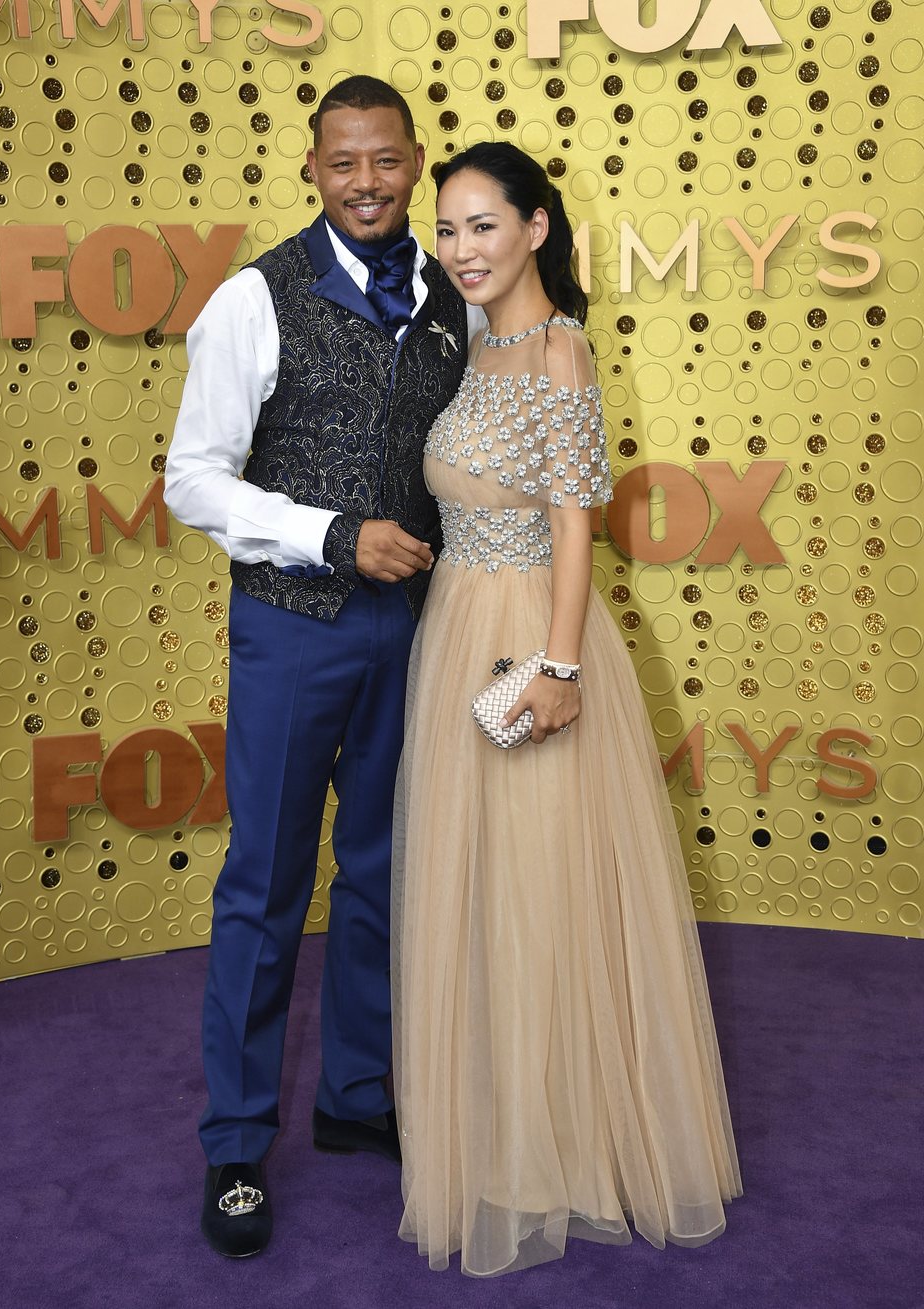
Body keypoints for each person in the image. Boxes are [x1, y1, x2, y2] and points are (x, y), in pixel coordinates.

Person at [392, 142, 742, 1277]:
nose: (461, 250)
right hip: (458, 629)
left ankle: (566, 1149)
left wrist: (560, 669)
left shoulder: (557, 351)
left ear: (539, 228)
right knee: (481, 888)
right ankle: (500, 1127)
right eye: (447, 230)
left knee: (544, 888)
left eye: (484, 225)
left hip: (533, 636)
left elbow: (578, 523)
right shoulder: (472, 345)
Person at [164, 75, 476, 1258]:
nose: (365, 182)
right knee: (266, 881)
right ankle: (237, 1141)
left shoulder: (449, 296)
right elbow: (192, 477)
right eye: (343, 163)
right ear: (313, 168)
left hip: (418, 630)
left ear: (413, 162)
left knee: (387, 875)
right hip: (294, 625)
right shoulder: (257, 295)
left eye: (385, 161)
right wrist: (334, 535)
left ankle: (357, 1097)